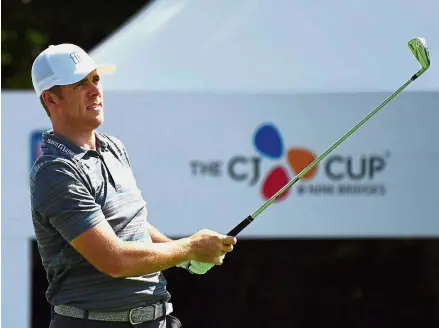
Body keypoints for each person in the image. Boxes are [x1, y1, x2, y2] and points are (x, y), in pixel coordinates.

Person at [29, 43, 237, 328]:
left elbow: (133, 225)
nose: (94, 90)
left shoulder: (114, 147)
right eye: (79, 84)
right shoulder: (56, 171)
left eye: (95, 79)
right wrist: (188, 248)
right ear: (51, 100)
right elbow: (115, 260)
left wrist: (185, 258)